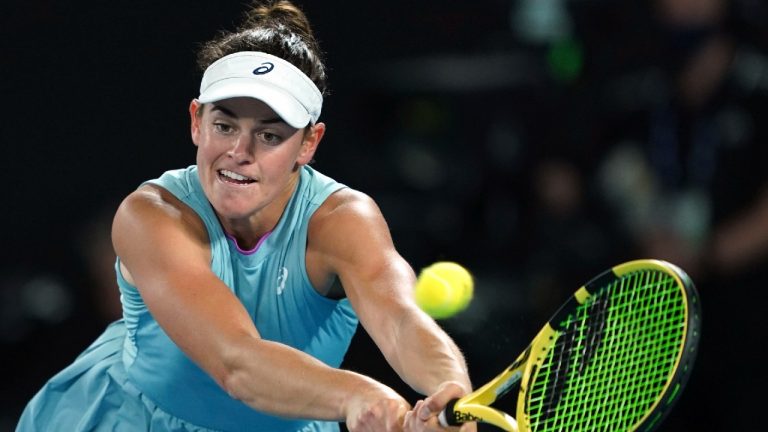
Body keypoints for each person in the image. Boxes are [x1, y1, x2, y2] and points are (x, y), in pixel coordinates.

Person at [16, 1, 475, 431]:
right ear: (196, 121)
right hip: (131, 418)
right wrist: (358, 395)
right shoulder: (151, 216)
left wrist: (449, 388)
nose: (239, 152)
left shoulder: (342, 219)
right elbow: (237, 364)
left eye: (270, 135)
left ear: (309, 144)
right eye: (225, 125)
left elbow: (399, 318)